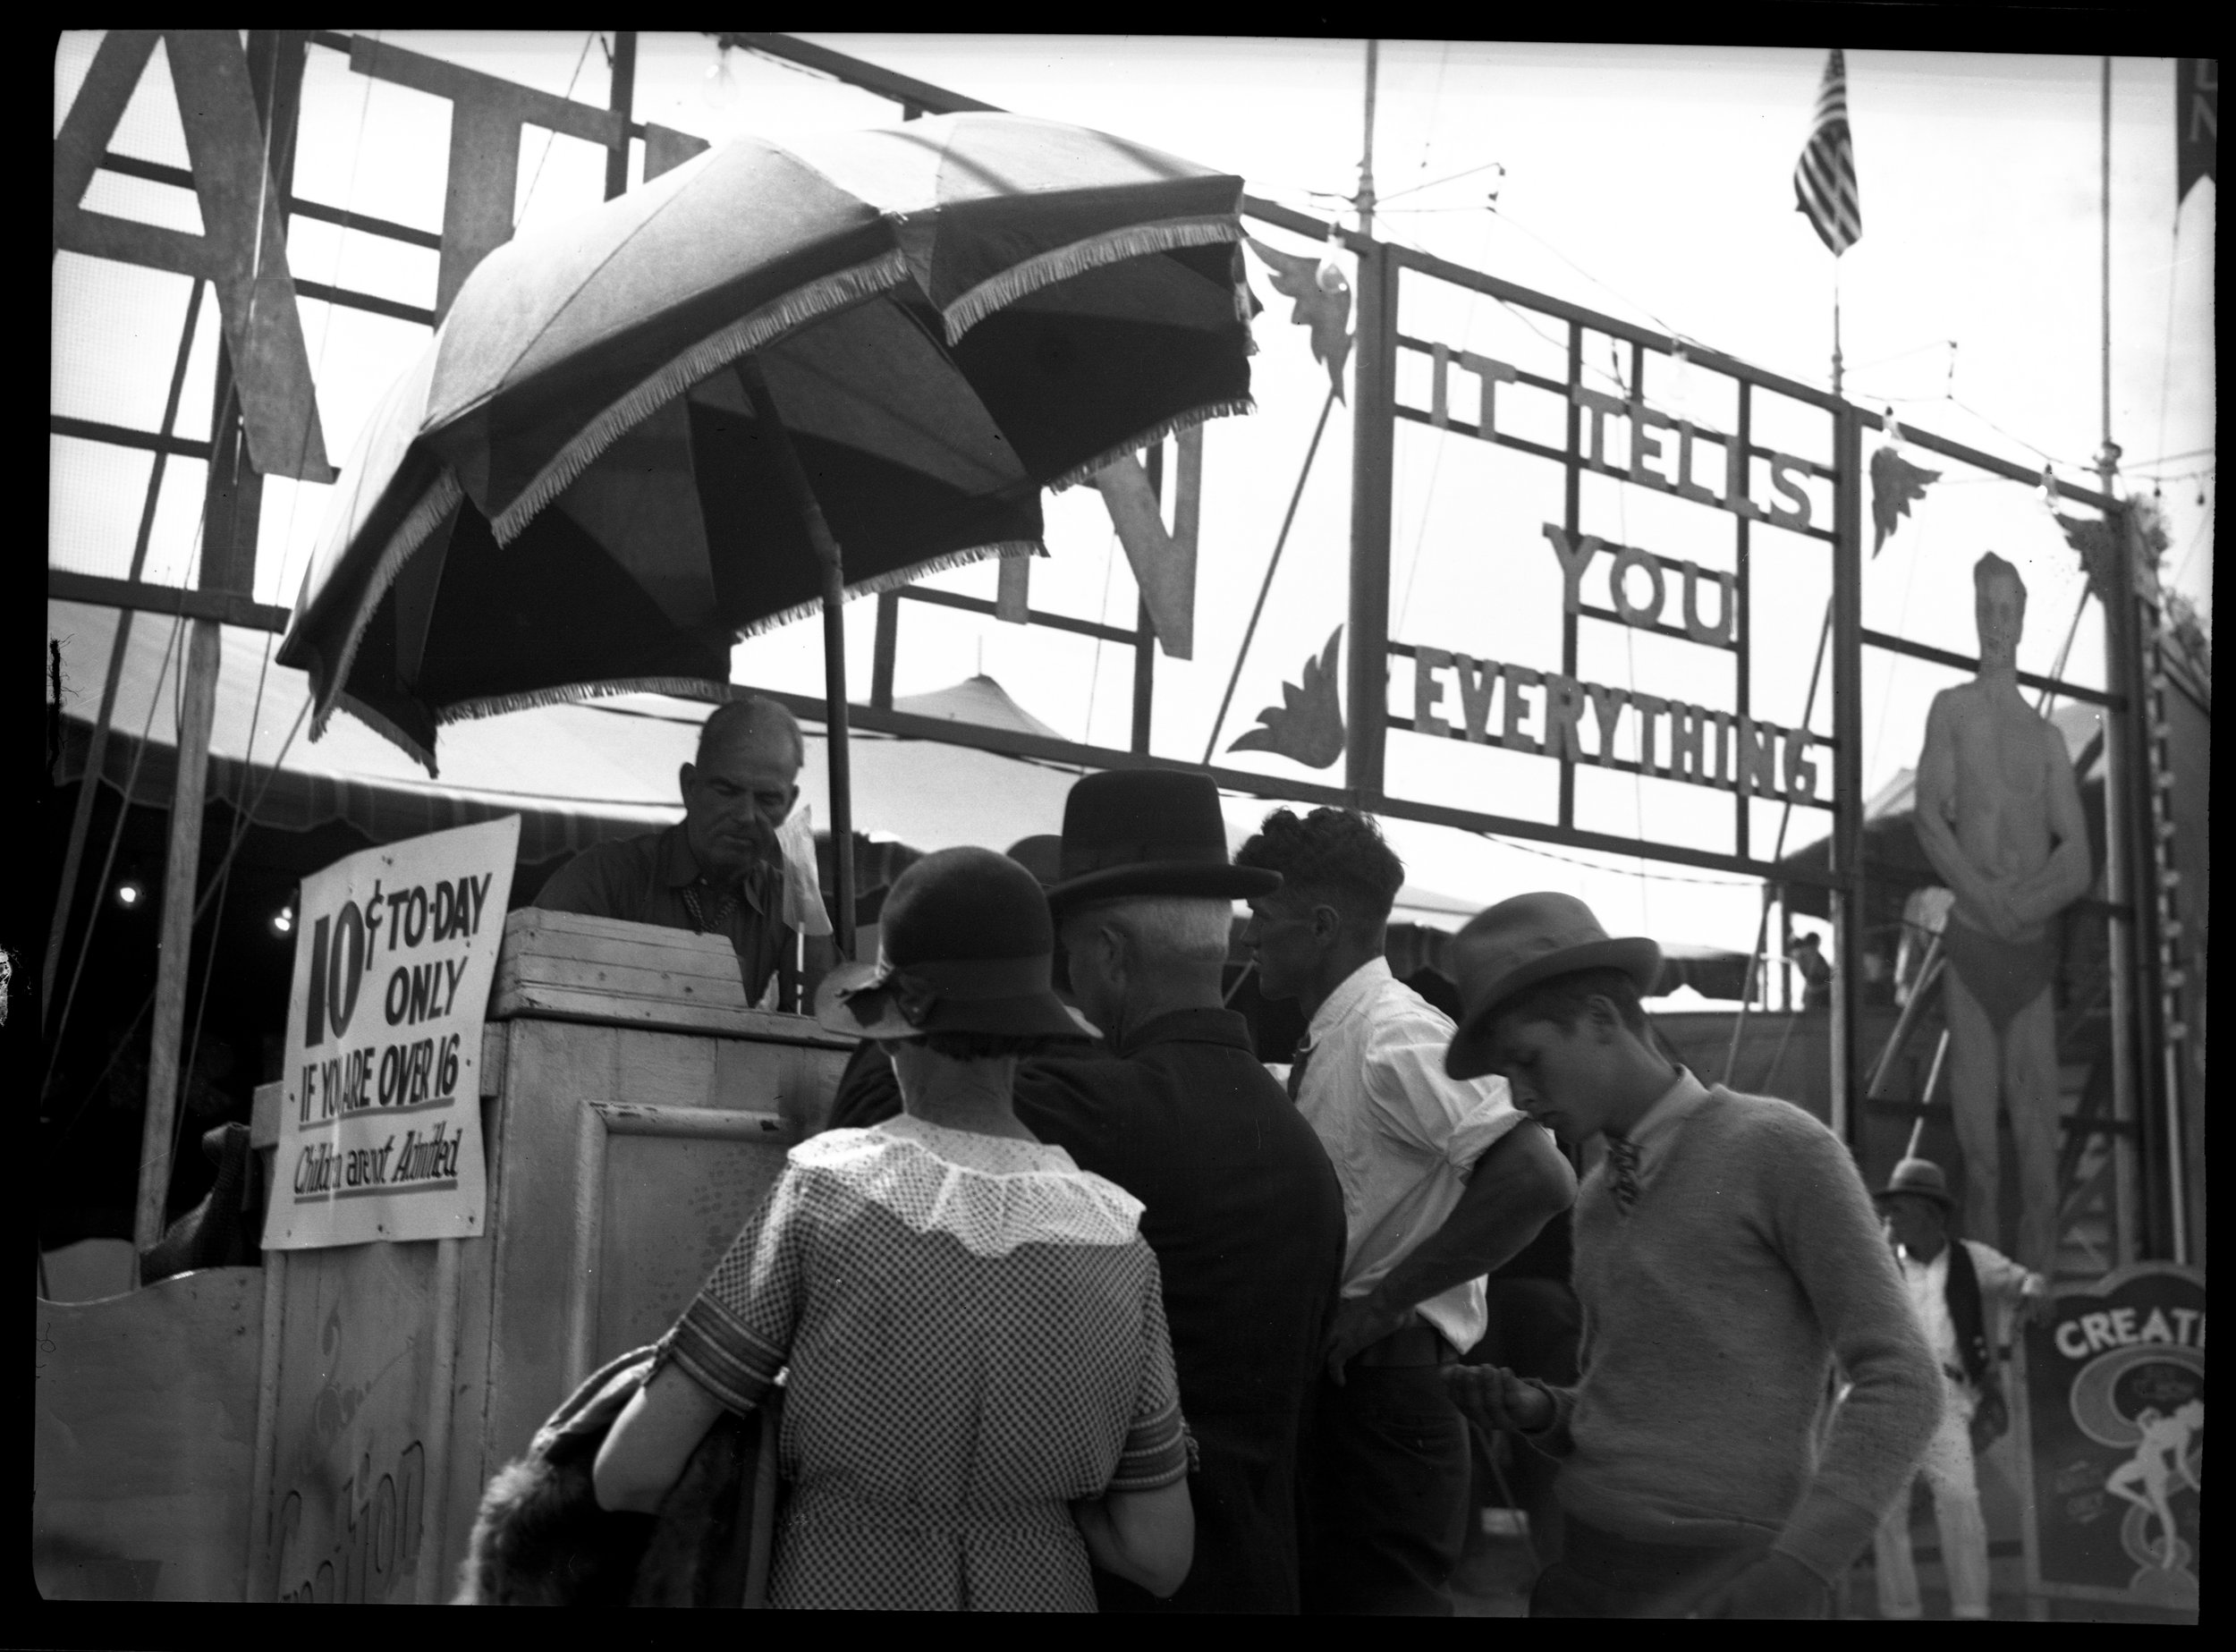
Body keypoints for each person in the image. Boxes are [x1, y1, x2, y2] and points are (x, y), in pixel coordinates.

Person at [591, 847, 1194, 1611]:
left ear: (897, 1027)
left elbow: (630, 1471)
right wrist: (1023, 1495)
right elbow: (1159, 1550)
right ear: (1026, 1032)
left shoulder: (824, 1196)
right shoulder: (1119, 1243)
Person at [826, 775, 1349, 1613]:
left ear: (1105, 952)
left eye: (1064, 952)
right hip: (1258, 1576)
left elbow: (872, 1127)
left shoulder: (1100, 1108)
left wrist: (925, 982)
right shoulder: (1299, 1143)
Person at [1441, 892, 1940, 1619]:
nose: (1519, 1095)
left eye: (1528, 1059)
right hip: (1581, 1564)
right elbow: (1638, 1402)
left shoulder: (1780, 1147)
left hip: (1722, 1578)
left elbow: (1904, 1379)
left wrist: (1802, 1565)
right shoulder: (1597, 1195)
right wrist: (1542, 1409)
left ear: (1604, 1020)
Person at [1236, 808, 1577, 1616]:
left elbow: (1538, 1176)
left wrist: (1385, 1300)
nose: (1250, 940)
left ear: (1320, 926)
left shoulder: (1395, 1033)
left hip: (1391, 1395)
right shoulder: (1337, 1037)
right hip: (1358, 1392)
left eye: (1264, 920)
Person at [1914, 553, 2094, 1272]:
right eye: (1985, 607)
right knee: (1982, 1160)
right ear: (1974, 614)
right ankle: (1986, 1320)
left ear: (2022, 619)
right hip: (1975, 948)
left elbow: (2078, 859)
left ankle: (2039, 1319)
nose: (1995, 622)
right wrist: (1982, 894)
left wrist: (2023, 899)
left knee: (2039, 1156)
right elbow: (1930, 816)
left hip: (2030, 953)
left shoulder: (2047, 739)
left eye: (2007, 609)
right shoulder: (1951, 710)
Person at [536, 695, 806, 1006]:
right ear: (690, 786)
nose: (746, 815)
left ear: (789, 804)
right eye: (727, 791)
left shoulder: (793, 906)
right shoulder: (604, 879)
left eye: (768, 799)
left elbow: (829, 1032)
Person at [1870, 1156, 2047, 1621]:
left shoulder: (1972, 1259)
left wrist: (2034, 1288)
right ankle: (1900, 1611)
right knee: (1887, 1511)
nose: (1889, 1220)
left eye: (1900, 1210)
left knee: (1960, 1501)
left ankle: (1972, 1610)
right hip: (1891, 1396)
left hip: (1948, 1399)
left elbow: (2024, 1279)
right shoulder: (1877, 1264)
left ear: (1931, 1214)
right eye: (1887, 1211)